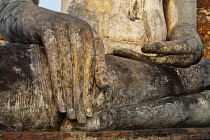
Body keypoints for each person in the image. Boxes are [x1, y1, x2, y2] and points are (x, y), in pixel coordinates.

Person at [0, 0, 210, 131]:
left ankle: (110, 119)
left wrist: (190, 42)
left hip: (154, 62)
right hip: (79, 56)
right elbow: (10, 8)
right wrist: (43, 19)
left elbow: (182, 25)